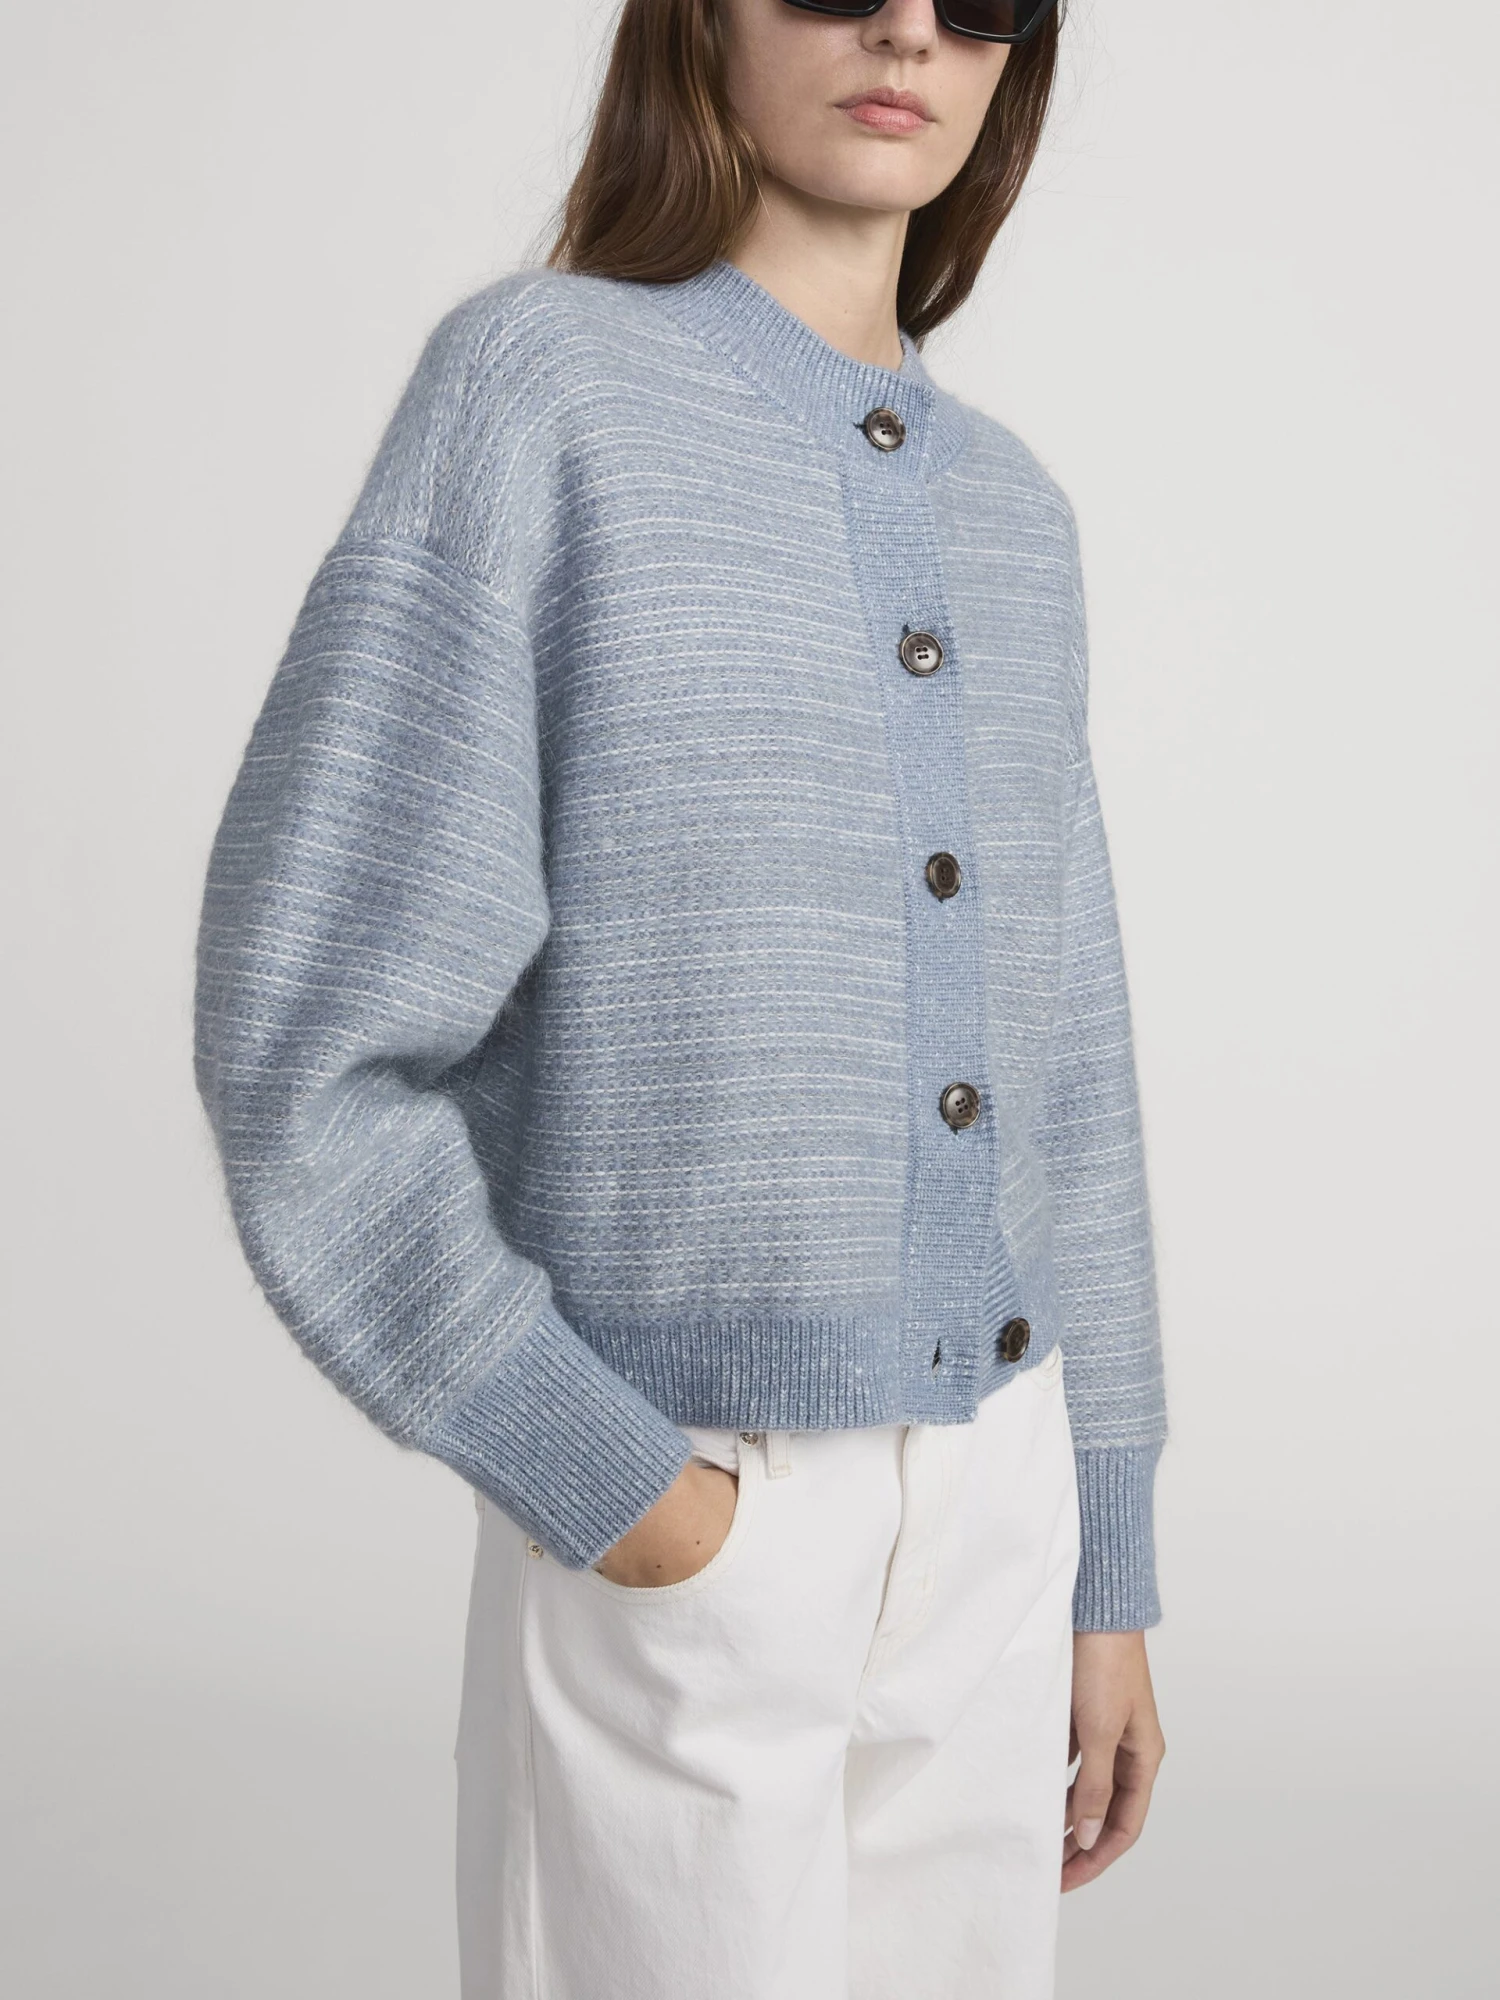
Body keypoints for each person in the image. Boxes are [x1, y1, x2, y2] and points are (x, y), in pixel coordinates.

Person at [193, 0, 1169, 1992]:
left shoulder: (1017, 518)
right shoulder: (539, 393)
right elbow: (310, 1038)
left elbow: (1071, 1069)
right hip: (692, 1495)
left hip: (1000, 1513)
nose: (908, 25)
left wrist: (1105, 1553)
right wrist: (615, 1481)